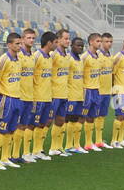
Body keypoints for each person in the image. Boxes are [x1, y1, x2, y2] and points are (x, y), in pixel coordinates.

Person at [0, 32, 25, 170]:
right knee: (2, 129)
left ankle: (5, 157)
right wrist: (1, 95)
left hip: (17, 98)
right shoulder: (3, 60)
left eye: (20, 43)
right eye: (17, 43)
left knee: (11, 130)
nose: (19, 46)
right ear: (9, 44)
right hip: (6, 98)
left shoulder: (18, 59)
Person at [48, 29, 73, 157]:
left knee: (61, 121)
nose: (68, 41)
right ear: (58, 39)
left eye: (69, 39)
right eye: (66, 38)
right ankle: (38, 149)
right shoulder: (53, 55)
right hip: (53, 94)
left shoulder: (67, 55)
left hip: (64, 94)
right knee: (46, 122)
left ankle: (56, 147)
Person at [31, 31, 55, 160]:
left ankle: (38, 150)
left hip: (47, 96)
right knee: (33, 124)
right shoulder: (37, 56)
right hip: (37, 96)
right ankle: (30, 151)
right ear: (49, 43)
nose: (56, 45)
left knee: (43, 123)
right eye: (55, 42)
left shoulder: (50, 57)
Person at [16, 28, 37, 162]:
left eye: (33, 38)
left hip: (30, 96)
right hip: (19, 97)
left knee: (25, 125)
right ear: (23, 39)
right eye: (29, 38)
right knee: (16, 126)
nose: (31, 40)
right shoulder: (18, 56)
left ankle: (23, 153)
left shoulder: (32, 56)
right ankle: (13, 154)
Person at [64, 35, 88, 153]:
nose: (80, 47)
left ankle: (75, 145)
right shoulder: (69, 59)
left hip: (79, 95)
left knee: (75, 120)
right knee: (68, 119)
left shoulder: (80, 60)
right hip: (71, 95)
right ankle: (67, 145)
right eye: (78, 45)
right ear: (71, 46)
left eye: (82, 46)